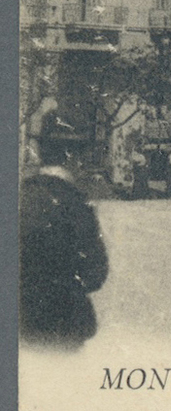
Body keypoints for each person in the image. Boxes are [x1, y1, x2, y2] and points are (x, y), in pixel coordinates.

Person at [21, 142, 110, 350]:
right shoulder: (76, 203)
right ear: (71, 160)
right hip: (64, 316)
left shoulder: (17, 195)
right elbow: (95, 271)